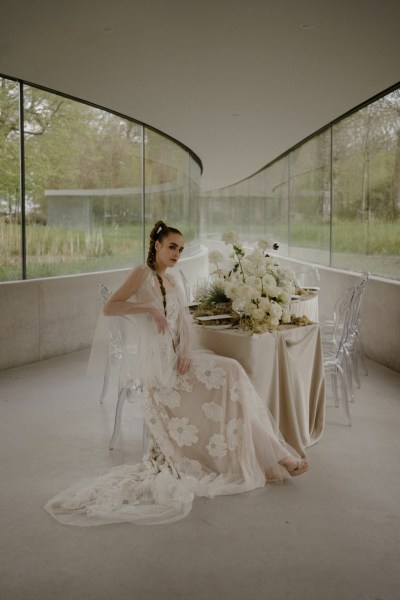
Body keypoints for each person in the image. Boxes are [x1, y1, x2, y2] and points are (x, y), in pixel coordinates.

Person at [45, 221, 308, 526]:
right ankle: (276, 457)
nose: (177, 254)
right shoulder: (141, 274)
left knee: (233, 372)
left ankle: (271, 456)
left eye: (181, 249)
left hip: (177, 360)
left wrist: (184, 351)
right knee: (231, 373)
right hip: (158, 371)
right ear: (156, 245)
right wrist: (149, 308)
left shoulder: (171, 281)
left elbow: (183, 322)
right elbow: (110, 307)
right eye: (172, 247)